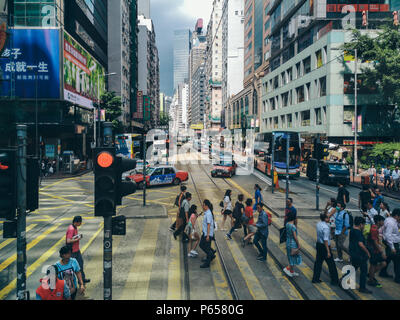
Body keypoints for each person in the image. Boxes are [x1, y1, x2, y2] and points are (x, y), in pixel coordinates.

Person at [312, 213, 339, 285]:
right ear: (325, 219)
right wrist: (328, 251)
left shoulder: (319, 224)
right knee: (331, 264)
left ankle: (315, 278)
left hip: (319, 245)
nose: (329, 219)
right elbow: (326, 240)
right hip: (325, 246)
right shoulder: (326, 228)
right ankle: (335, 280)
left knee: (318, 262)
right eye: (328, 218)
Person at [349, 217, 372, 294]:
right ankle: (362, 287)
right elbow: (360, 244)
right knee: (364, 271)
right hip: (360, 255)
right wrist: (367, 252)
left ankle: (342, 279)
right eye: (364, 224)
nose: (364, 226)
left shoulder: (352, 230)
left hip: (353, 253)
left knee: (354, 267)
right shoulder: (358, 232)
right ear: (361, 224)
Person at [66, 216, 90, 284]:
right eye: (80, 222)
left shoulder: (74, 227)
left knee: (80, 264)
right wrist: (78, 239)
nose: (81, 223)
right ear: (76, 222)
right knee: (72, 267)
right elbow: (68, 241)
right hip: (72, 251)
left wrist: (77, 236)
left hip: (76, 250)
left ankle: (82, 280)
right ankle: (70, 282)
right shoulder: (71, 229)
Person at [380, 208, 400, 283]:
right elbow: (388, 235)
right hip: (392, 243)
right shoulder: (391, 223)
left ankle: (383, 272)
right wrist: (392, 247)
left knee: (388, 258)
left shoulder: (391, 221)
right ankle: (398, 278)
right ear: (397, 216)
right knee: (397, 260)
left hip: (392, 243)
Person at [366, 215, 387, 288]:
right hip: (374, 250)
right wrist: (381, 252)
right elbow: (375, 242)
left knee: (381, 263)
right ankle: (371, 280)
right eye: (382, 221)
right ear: (378, 221)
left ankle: (371, 275)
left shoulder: (375, 228)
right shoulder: (374, 229)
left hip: (374, 250)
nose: (383, 222)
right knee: (374, 264)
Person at [284, 210, 302, 277]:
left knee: (291, 257)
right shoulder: (293, 226)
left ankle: (291, 271)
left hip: (288, 242)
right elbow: (295, 237)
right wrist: (298, 244)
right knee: (292, 257)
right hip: (293, 243)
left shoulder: (287, 224)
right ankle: (288, 270)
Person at [200, 200, 216, 269]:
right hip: (205, 232)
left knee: (206, 247)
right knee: (203, 245)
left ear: (206, 206)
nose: (202, 206)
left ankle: (208, 262)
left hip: (207, 234)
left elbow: (209, 225)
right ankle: (211, 255)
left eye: (203, 205)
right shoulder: (207, 212)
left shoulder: (208, 214)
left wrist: (208, 235)